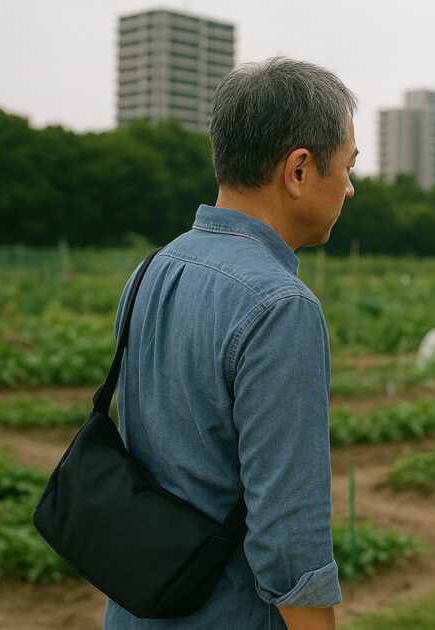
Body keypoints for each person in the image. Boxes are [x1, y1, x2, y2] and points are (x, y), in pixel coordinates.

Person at [103, 57, 358, 630]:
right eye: (347, 165)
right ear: (298, 170)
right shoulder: (281, 307)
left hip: (139, 607)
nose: (350, 186)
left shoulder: (152, 270)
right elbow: (290, 542)